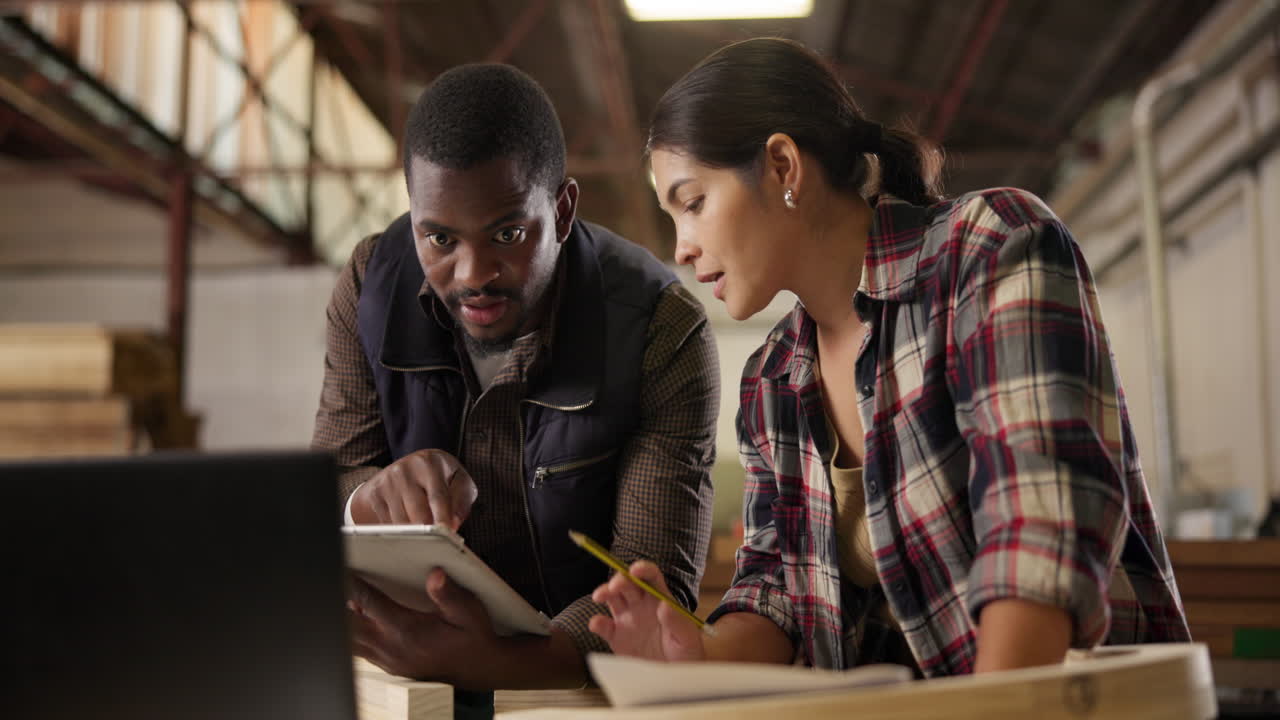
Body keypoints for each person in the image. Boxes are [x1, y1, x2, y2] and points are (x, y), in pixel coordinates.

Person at [589, 37, 1190, 678]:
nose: (681, 248)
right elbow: (775, 595)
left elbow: (1041, 527)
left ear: (784, 167)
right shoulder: (771, 380)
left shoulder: (987, 248)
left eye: (693, 203)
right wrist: (698, 653)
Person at [311, 63, 720, 714]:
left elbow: (651, 585)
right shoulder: (369, 288)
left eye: (507, 234)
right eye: (439, 238)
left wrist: (507, 665)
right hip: (405, 682)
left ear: (562, 209)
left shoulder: (660, 329)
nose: (474, 274)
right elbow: (324, 487)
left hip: (577, 691)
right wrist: (366, 499)